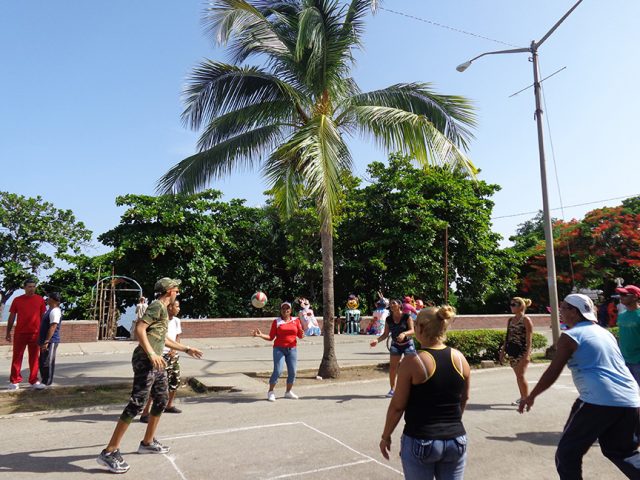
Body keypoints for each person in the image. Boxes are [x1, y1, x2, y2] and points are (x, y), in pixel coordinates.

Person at [519, 294, 640, 479]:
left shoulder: (570, 336)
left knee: (567, 454)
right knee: (623, 452)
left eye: (564, 308)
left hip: (598, 401)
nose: (560, 311)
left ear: (575, 312)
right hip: (631, 400)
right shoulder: (605, 333)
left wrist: (531, 396)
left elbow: (553, 370)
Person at [96, 278, 203, 474]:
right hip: (146, 360)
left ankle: (147, 442)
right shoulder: (157, 306)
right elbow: (139, 329)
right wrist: (152, 353)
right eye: (176, 289)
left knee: (161, 399)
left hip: (157, 361)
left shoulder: (162, 309)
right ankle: (109, 452)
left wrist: (186, 348)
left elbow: (163, 339)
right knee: (137, 403)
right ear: (169, 291)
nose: (178, 292)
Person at [379, 306, 471, 480]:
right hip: (456, 439)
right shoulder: (460, 358)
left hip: (421, 438)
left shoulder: (413, 361)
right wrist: (452, 423)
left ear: (420, 328)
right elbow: (464, 398)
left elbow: (398, 406)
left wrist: (386, 436)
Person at [140, 299, 184, 423]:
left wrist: (175, 350)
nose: (178, 308)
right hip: (160, 356)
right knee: (155, 385)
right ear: (169, 308)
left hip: (172, 356)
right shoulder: (160, 321)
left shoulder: (176, 321)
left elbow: (177, 337)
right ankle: (145, 412)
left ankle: (169, 405)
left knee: (175, 380)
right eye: (176, 306)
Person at [252, 301, 303, 402]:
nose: (285, 310)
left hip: (292, 349)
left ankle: (288, 392)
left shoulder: (296, 321)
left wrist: (302, 332)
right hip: (279, 349)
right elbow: (271, 337)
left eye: (287, 308)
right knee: (278, 370)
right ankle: (271, 391)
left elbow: (300, 336)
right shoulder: (277, 321)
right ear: (281, 310)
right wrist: (260, 335)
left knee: (292, 372)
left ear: (290, 310)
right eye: (283, 308)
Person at [5, 278, 46, 390]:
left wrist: (44, 334)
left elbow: (43, 318)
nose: (32, 289)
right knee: (17, 357)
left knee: (34, 358)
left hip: (35, 333)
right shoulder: (17, 300)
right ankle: (14, 381)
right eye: (29, 286)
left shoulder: (40, 300)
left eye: (33, 286)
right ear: (24, 288)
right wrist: (8, 332)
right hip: (20, 333)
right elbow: (12, 317)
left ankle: (34, 380)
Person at [370, 298, 416, 397]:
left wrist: (404, 333)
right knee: (393, 368)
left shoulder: (407, 317)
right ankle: (392, 389)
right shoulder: (388, 319)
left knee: (410, 367)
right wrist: (377, 341)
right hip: (395, 345)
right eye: (390, 304)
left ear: (399, 305)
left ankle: (412, 389)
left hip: (408, 344)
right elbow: (386, 334)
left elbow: (413, 330)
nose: (391, 305)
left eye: (394, 303)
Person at [499, 297, 534, 406]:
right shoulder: (510, 320)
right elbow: (507, 337)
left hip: (522, 352)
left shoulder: (526, 320)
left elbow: (529, 339)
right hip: (512, 351)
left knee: (520, 375)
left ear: (521, 306)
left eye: (514, 304)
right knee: (518, 376)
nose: (511, 306)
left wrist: (527, 355)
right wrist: (502, 351)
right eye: (511, 304)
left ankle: (526, 399)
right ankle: (523, 397)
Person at [37, 292, 63, 389]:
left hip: (51, 341)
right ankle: (43, 380)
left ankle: (47, 382)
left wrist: (47, 341)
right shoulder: (49, 310)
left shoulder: (55, 311)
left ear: (53, 300)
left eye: (49, 298)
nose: (47, 299)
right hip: (44, 340)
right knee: (42, 360)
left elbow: (53, 326)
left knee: (48, 361)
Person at [615, 284, 640, 385]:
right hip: (623, 361)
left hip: (638, 361)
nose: (621, 297)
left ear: (635, 297)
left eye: (625, 294)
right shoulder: (621, 315)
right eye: (620, 294)